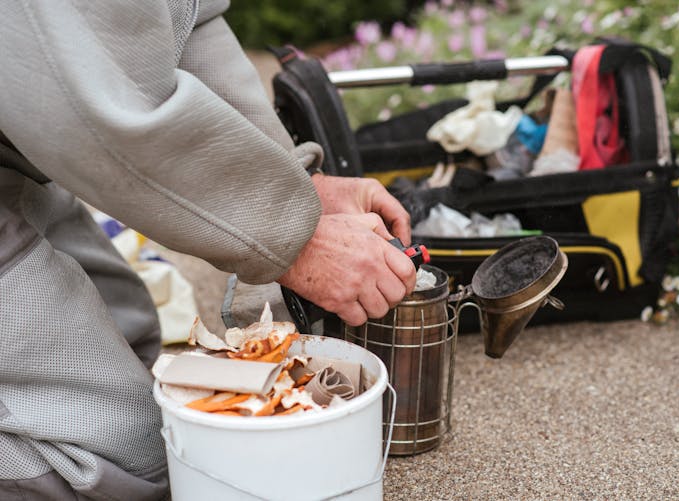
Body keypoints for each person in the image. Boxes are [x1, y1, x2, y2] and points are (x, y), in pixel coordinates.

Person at [0, 1, 416, 499]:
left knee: (134, 335)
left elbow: (187, 25)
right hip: (53, 117)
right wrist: (294, 237)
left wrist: (301, 183)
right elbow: (88, 109)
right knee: (122, 465)